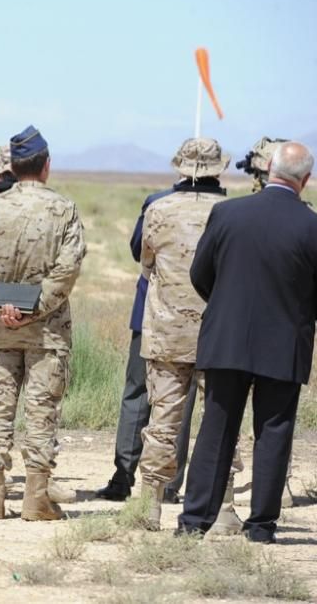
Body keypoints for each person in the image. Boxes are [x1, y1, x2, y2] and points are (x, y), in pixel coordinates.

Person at [177, 141, 317, 544]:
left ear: (268, 169)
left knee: (216, 428)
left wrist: (225, 310)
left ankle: (193, 522)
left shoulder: (227, 213)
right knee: (274, 432)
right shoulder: (311, 226)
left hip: (227, 339)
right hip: (285, 344)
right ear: (305, 180)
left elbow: (199, 274)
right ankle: (260, 528)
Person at [0, 125, 86, 521]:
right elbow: (67, 272)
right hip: (46, 333)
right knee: (41, 411)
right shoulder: (63, 210)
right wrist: (32, 309)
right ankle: (36, 499)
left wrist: (0, 306)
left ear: (14, 168)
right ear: (46, 166)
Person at [134, 138, 232, 530]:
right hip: (218, 336)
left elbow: (146, 265)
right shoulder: (231, 213)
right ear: (218, 169)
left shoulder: (158, 210)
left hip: (166, 333)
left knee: (163, 419)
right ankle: (223, 507)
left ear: (180, 166)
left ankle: (150, 506)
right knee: (221, 420)